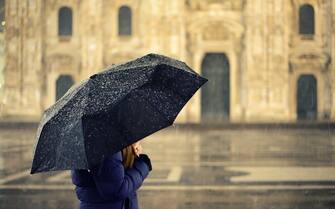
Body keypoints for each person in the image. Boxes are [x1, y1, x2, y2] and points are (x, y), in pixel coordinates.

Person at [71, 141, 152, 209]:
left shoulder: (83, 138)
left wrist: (132, 154)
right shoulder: (108, 141)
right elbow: (116, 190)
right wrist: (143, 165)